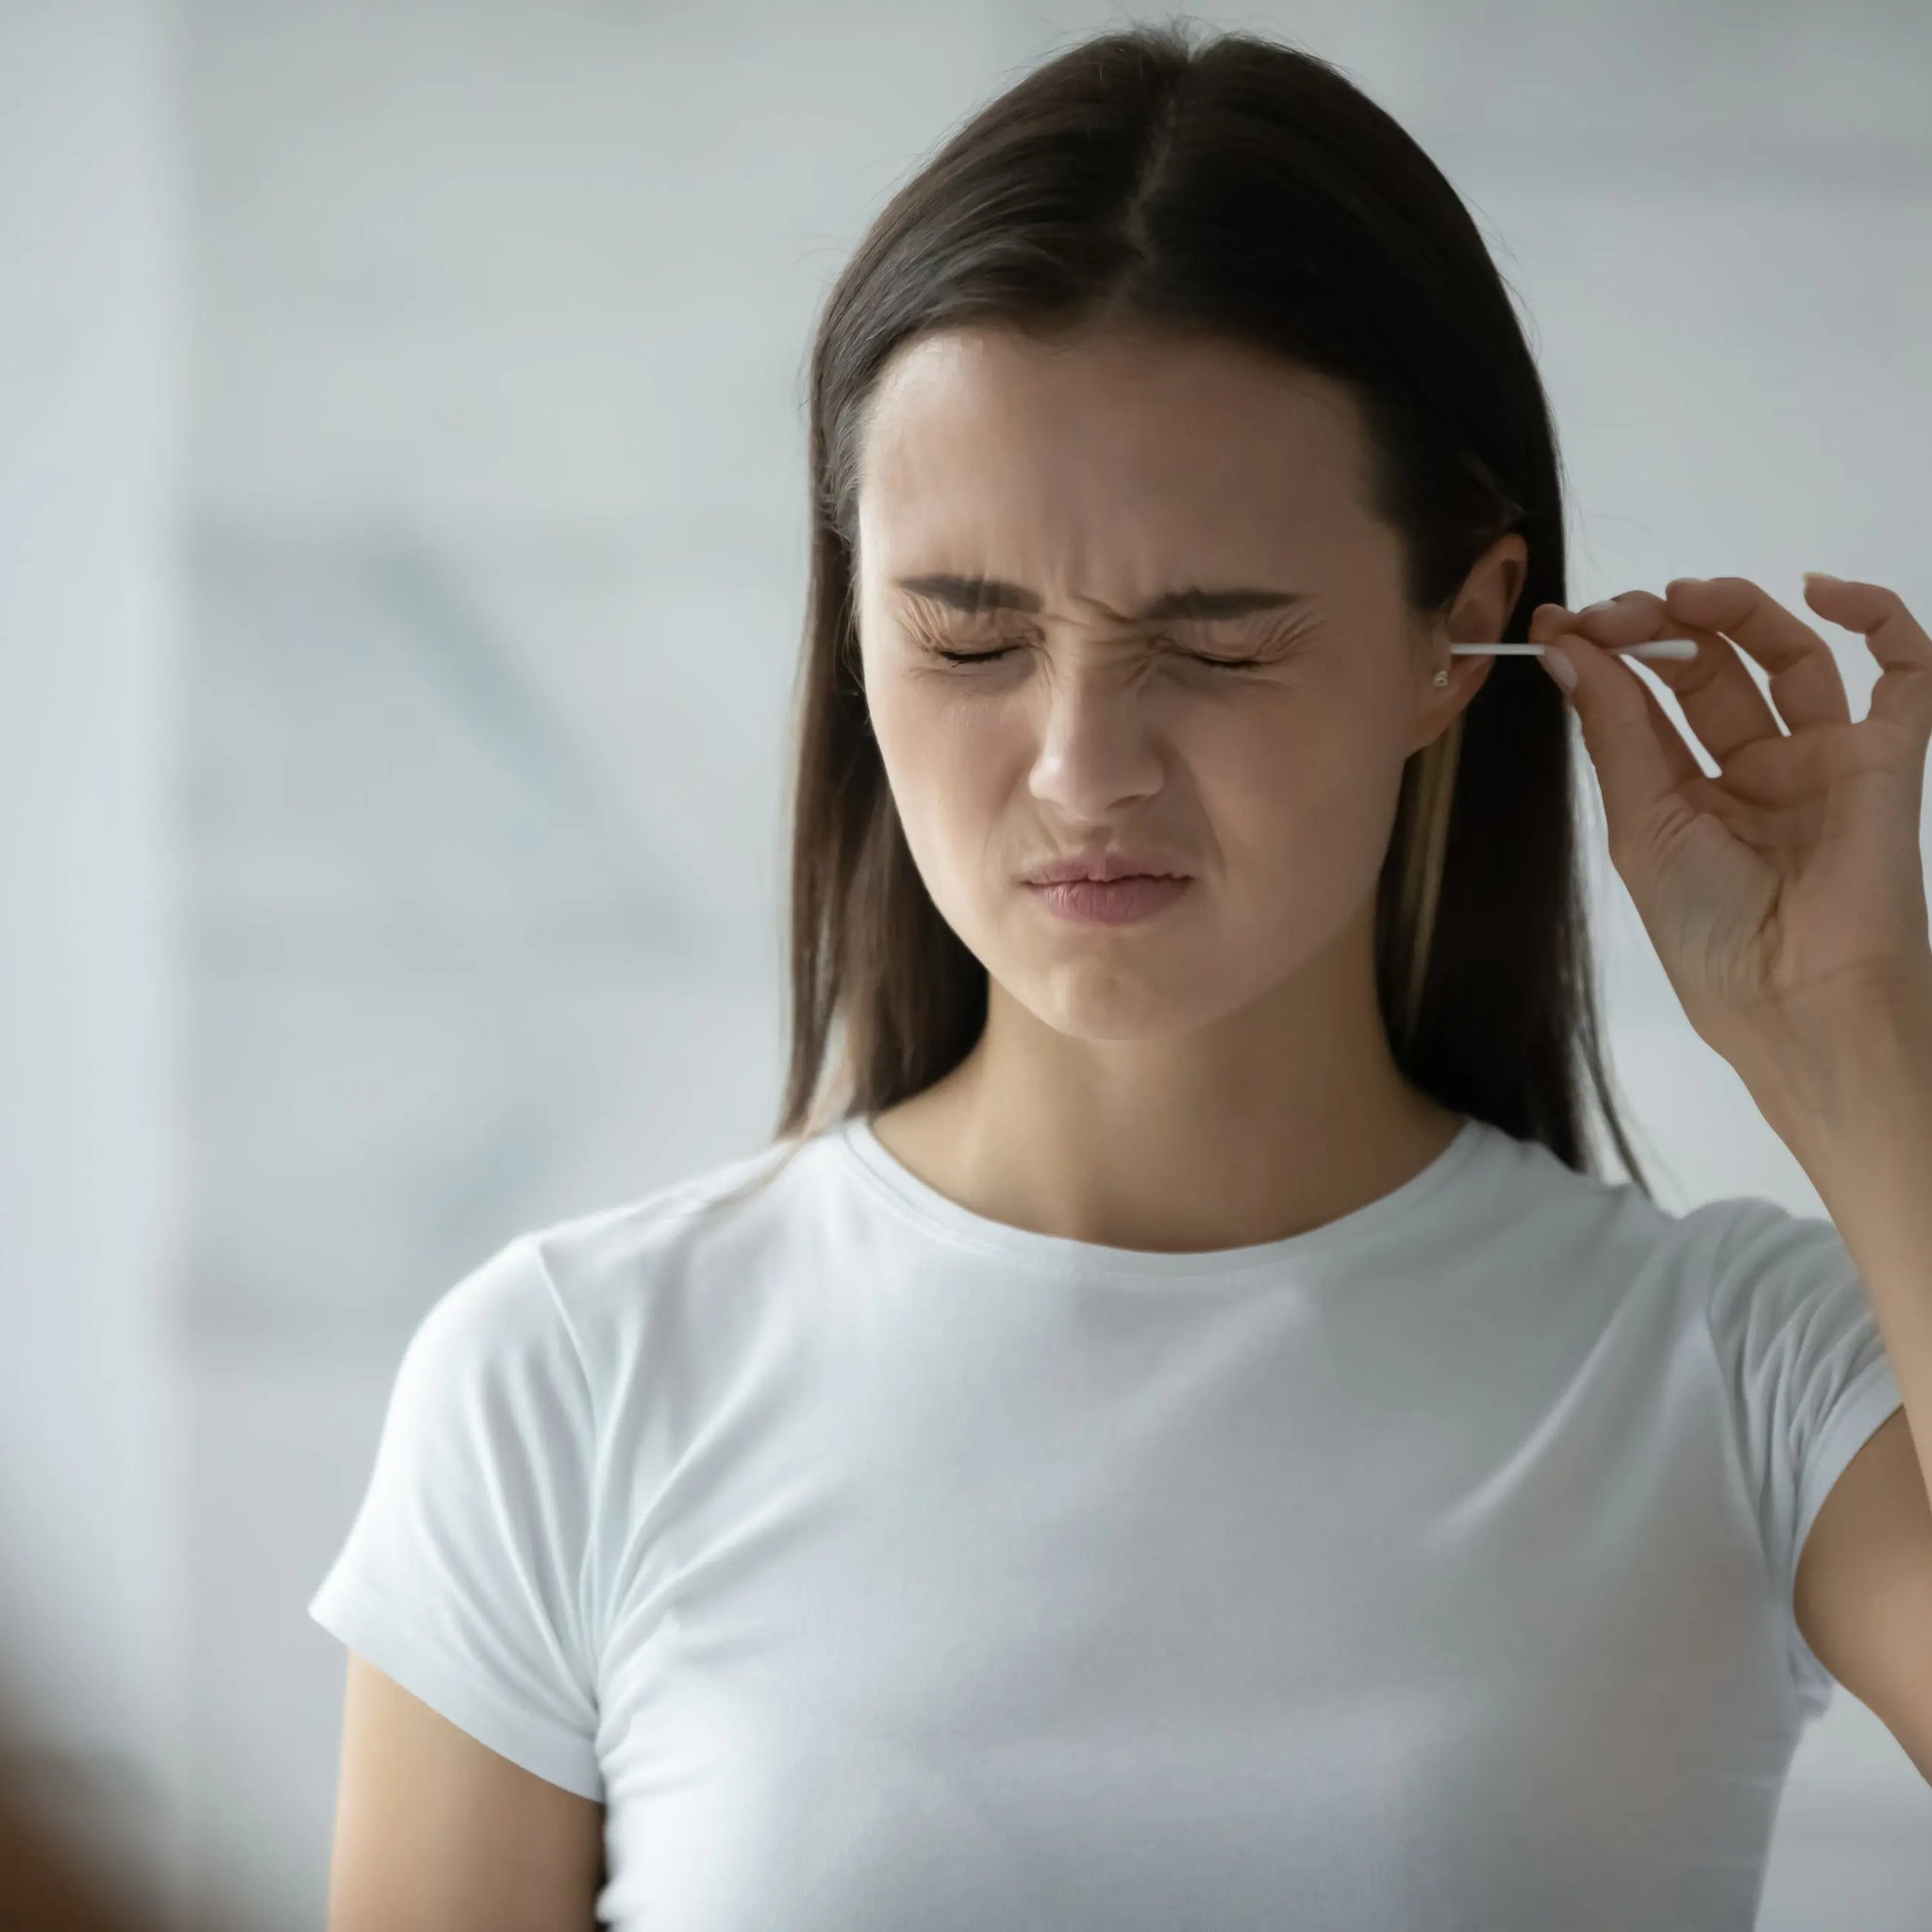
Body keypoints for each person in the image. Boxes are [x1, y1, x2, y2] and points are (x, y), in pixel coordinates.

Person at [309, 21, 1907, 1930]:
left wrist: (1849, 1042)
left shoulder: (1741, 1378)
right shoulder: (568, 1381)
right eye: (971, 641)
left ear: (1453, 636)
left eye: (1215, 647)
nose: (1082, 765)